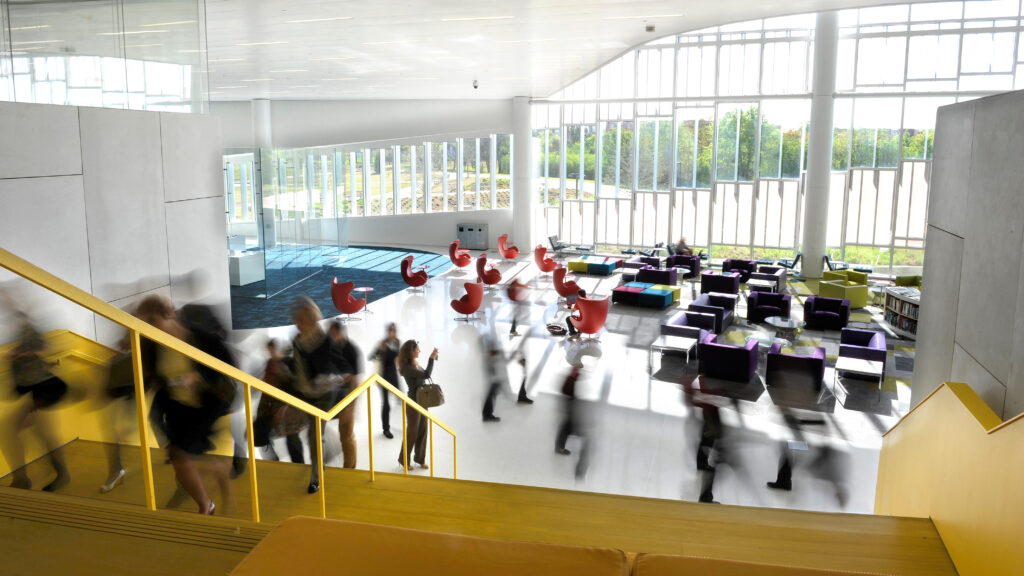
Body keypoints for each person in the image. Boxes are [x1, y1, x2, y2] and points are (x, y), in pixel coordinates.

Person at [138, 295, 232, 515]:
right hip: (176, 410)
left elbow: (229, 370)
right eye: (146, 324)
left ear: (169, 314)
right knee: (179, 458)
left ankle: (206, 504)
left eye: (153, 321)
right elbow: (154, 376)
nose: (150, 328)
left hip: (204, 408)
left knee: (180, 459)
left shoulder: (203, 340)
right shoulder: (152, 346)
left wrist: (199, 379)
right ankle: (207, 485)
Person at [289, 296, 353, 494]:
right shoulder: (297, 341)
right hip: (304, 393)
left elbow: (341, 365)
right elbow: (298, 368)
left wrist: (339, 377)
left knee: (314, 434)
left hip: (323, 394)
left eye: (300, 320)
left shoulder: (325, 340)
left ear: (310, 319)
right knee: (297, 432)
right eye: (296, 321)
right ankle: (321, 453)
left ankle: (316, 477)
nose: (297, 325)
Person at [2, 315, 71, 492]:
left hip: (46, 392)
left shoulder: (34, 339)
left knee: (36, 432)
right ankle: (24, 478)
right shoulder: (21, 345)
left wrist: (27, 354)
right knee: (34, 432)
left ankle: (54, 475)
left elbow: (48, 349)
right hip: (37, 394)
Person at [252, 339, 306, 463]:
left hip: (287, 408)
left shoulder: (286, 363)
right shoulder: (270, 364)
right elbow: (267, 386)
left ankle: (299, 465)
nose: (270, 353)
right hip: (270, 407)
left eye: (272, 350)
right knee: (258, 433)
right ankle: (274, 461)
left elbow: (294, 384)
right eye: (269, 350)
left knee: (292, 438)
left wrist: (281, 373)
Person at [397, 339, 437, 470]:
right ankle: (404, 460)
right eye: (417, 349)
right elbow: (426, 375)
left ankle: (420, 459)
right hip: (413, 402)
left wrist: (434, 358)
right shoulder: (408, 368)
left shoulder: (415, 364)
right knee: (412, 432)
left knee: (423, 431)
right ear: (411, 352)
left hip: (423, 402)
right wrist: (431, 358)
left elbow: (423, 374)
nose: (420, 351)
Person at [327, 319, 361, 469]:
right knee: (342, 434)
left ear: (339, 332)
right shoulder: (332, 347)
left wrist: (350, 405)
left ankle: (350, 468)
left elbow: (355, 380)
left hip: (348, 396)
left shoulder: (351, 350)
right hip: (336, 394)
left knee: (346, 435)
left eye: (332, 333)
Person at [368, 323, 401, 439]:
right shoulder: (382, 343)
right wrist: (380, 349)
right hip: (383, 378)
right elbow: (370, 357)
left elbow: (396, 356)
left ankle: (401, 423)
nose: (393, 332)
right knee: (386, 404)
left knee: (401, 400)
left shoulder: (397, 342)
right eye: (391, 330)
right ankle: (386, 429)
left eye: (394, 330)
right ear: (387, 331)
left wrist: (388, 350)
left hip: (394, 377)